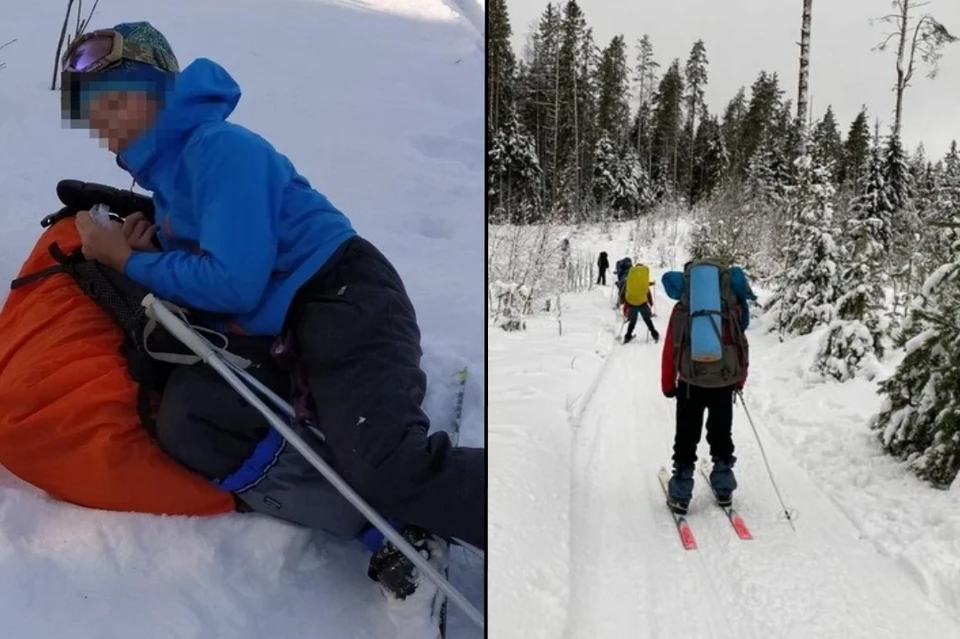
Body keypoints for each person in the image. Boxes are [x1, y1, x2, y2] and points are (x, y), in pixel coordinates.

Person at [59, 22, 485, 595]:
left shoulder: (219, 149)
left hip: (343, 295)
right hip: (293, 328)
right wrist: (153, 247)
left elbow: (234, 283)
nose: (103, 126)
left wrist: (128, 262)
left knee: (387, 467)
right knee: (192, 418)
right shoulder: (171, 184)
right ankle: (377, 518)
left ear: (159, 91)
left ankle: (525, 508)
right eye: (92, 116)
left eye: (112, 102)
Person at [659, 259, 755, 515]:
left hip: (690, 382)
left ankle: (680, 491)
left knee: (686, 436)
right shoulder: (731, 305)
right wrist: (739, 380)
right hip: (724, 381)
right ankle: (724, 486)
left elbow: (671, 349)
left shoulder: (684, 308)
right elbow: (740, 344)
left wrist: (668, 385)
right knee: (721, 432)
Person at [619, 262, 659, 344]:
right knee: (647, 319)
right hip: (642, 302)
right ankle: (654, 334)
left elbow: (626, 288)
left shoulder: (631, 278)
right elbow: (645, 286)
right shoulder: (642, 278)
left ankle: (627, 336)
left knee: (632, 321)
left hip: (632, 302)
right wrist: (652, 283)